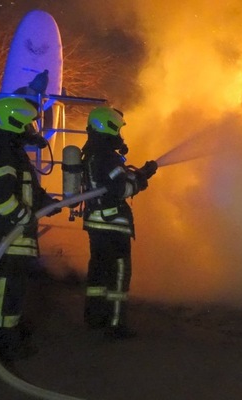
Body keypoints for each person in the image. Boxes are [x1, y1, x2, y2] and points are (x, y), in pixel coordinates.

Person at [0, 96, 60, 362]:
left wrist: (47, 203)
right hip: (3, 231)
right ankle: (1, 342)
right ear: (15, 121)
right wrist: (24, 217)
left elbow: (26, 188)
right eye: (29, 123)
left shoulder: (9, 149)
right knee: (5, 287)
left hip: (11, 230)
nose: (33, 129)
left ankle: (9, 328)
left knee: (13, 286)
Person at [80, 106, 157, 339]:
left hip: (97, 223)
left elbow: (112, 181)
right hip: (113, 225)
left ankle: (95, 317)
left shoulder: (93, 153)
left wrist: (141, 173)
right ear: (109, 126)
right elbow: (119, 188)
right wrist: (140, 182)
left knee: (99, 273)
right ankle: (115, 325)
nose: (120, 135)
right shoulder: (107, 156)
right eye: (118, 129)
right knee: (118, 276)